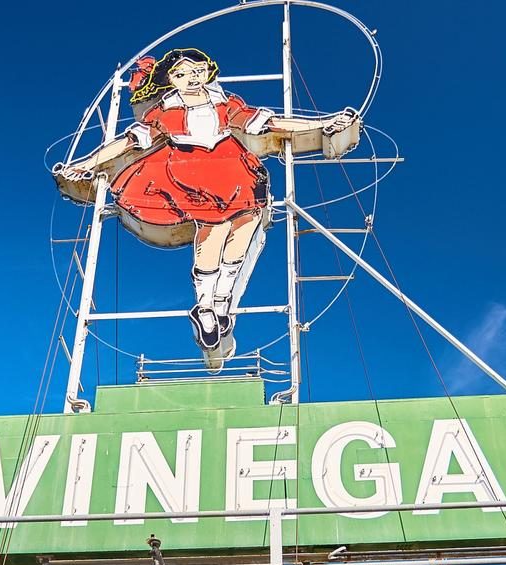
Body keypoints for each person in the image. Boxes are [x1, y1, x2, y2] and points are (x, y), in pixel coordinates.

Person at [112, 48, 357, 353]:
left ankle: (222, 300)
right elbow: (129, 141)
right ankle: (203, 308)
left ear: (208, 72)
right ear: (170, 79)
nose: (192, 78)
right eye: (182, 73)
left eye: (198, 70)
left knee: (243, 234)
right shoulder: (164, 111)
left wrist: (322, 124)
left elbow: (271, 124)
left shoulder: (225, 104)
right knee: (212, 236)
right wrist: (88, 164)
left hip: (236, 174)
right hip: (193, 178)